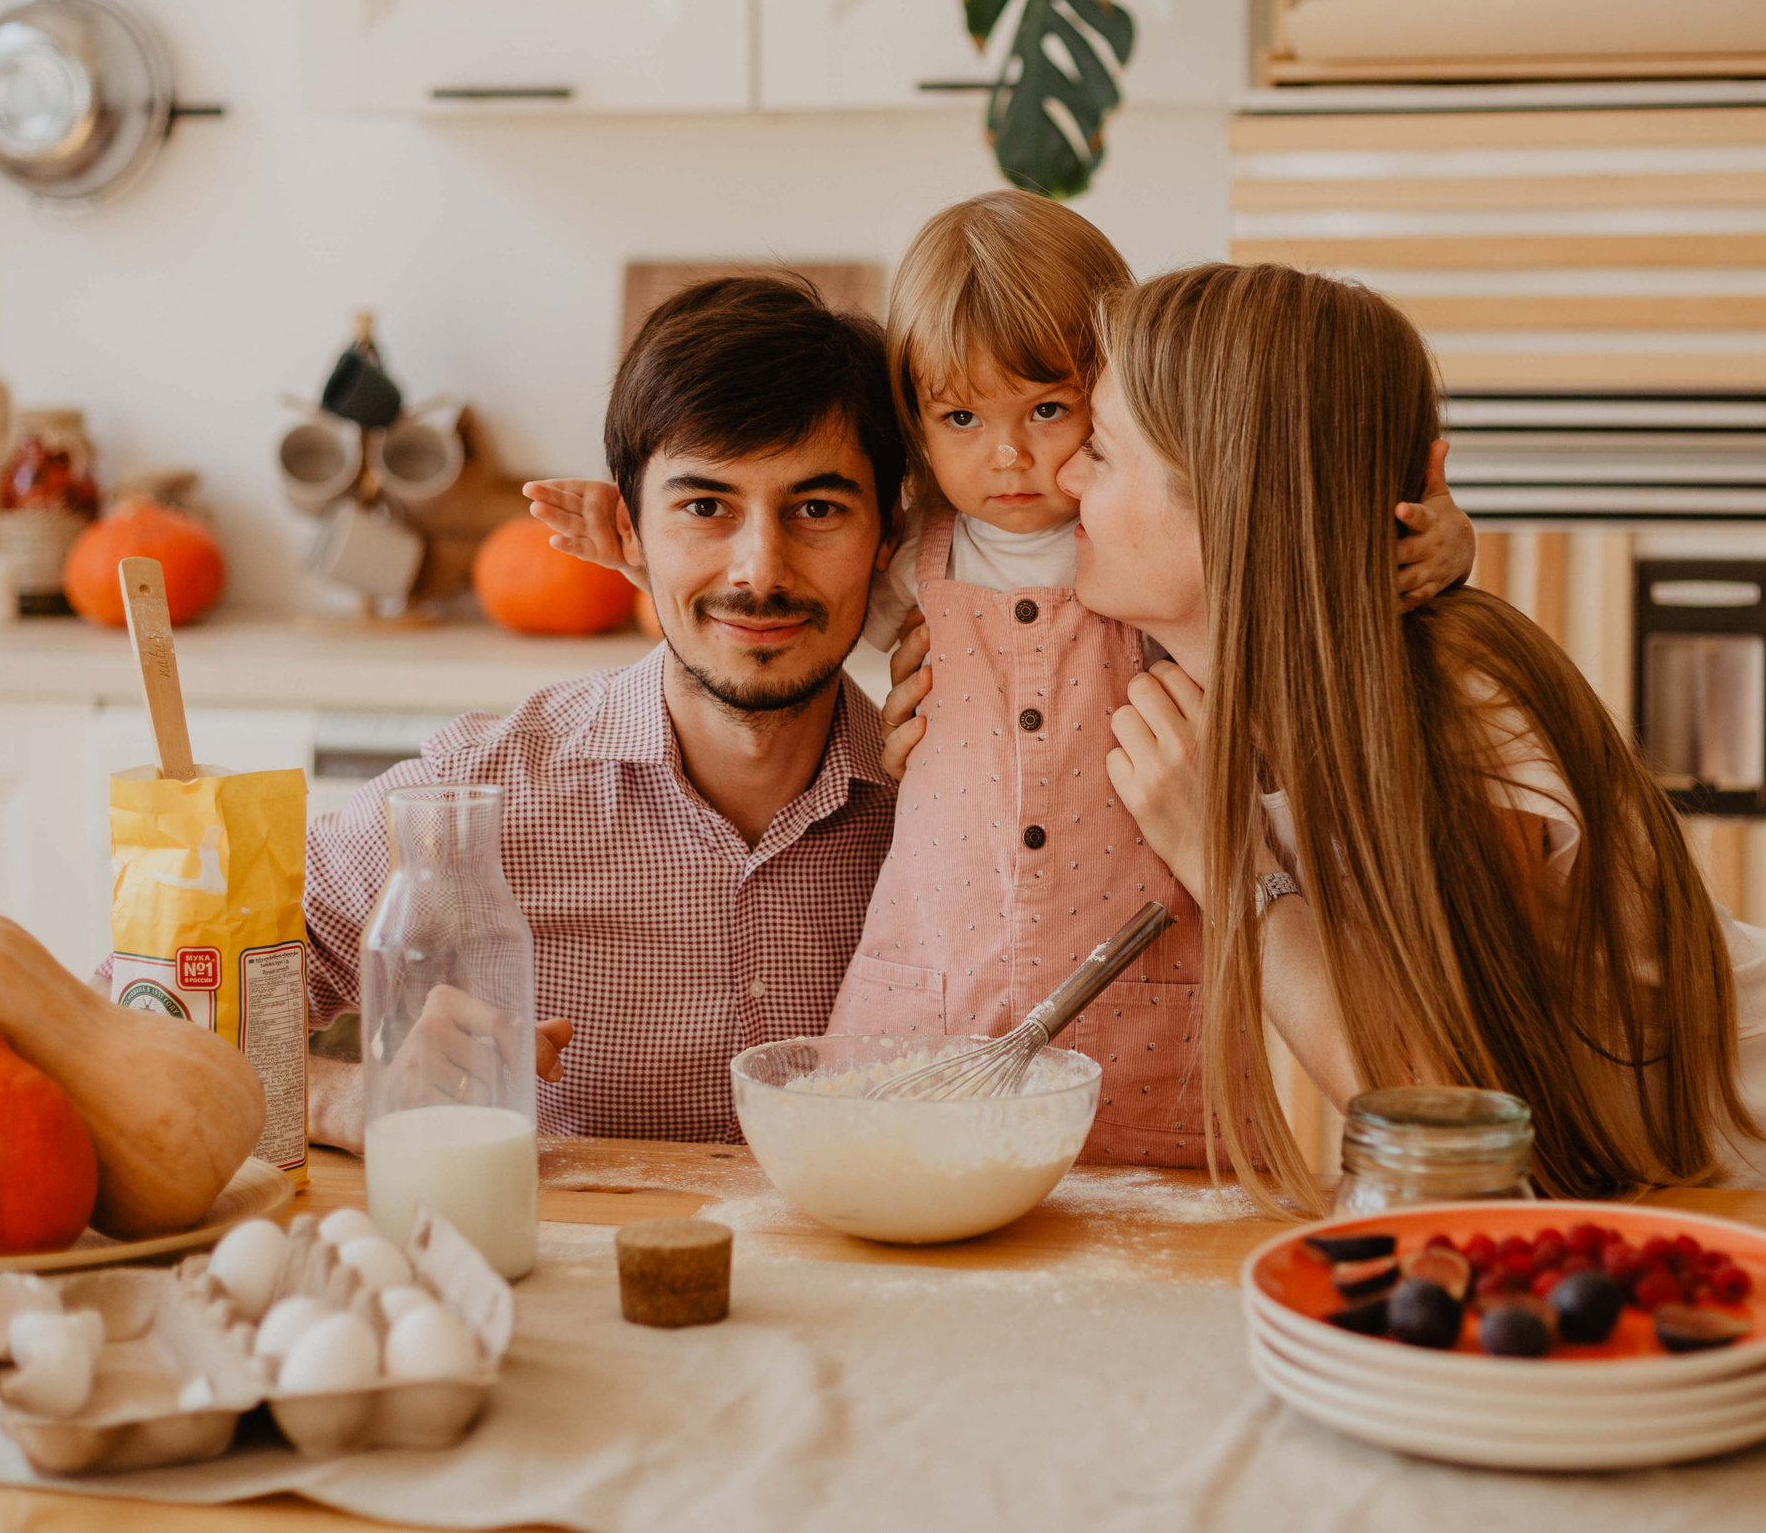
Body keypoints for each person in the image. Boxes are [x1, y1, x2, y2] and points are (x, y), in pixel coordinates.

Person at [1059, 261, 1766, 1347]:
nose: (1058, 472)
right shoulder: (1223, 697)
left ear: (1233, 499)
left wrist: (1231, 867)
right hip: (1674, 1218)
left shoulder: (1459, 706)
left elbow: (1449, 1137)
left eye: (1100, 448)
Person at [531, 192, 1477, 1165]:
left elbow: (1285, 565)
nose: (1012, 454)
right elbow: (782, 591)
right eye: (961, 418)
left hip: (1148, 1009)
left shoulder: (1150, 558)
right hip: (937, 994)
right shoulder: (912, 554)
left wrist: (1435, 542)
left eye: (1052, 412)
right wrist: (644, 547)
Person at [303, 275, 905, 1151]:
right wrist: (345, 1097)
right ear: (628, 533)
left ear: (889, 536)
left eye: (817, 509)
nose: (760, 570)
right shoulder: (479, 799)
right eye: (706, 506)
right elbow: (153, 1001)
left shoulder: (953, 811)